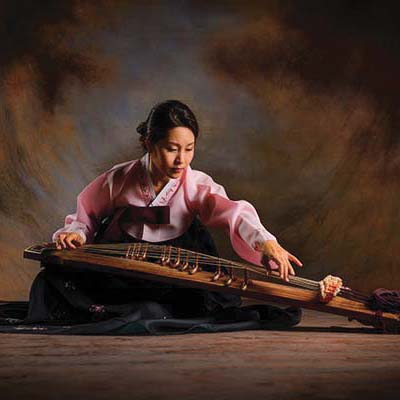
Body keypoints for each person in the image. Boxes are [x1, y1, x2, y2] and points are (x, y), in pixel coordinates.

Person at [0, 100, 303, 335]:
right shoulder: (119, 178)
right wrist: (76, 235)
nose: (181, 159)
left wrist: (266, 242)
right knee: (52, 279)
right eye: (171, 149)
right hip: (122, 269)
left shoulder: (197, 184)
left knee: (191, 302)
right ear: (149, 142)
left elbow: (234, 213)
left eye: (189, 149)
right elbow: (85, 216)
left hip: (174, 271)